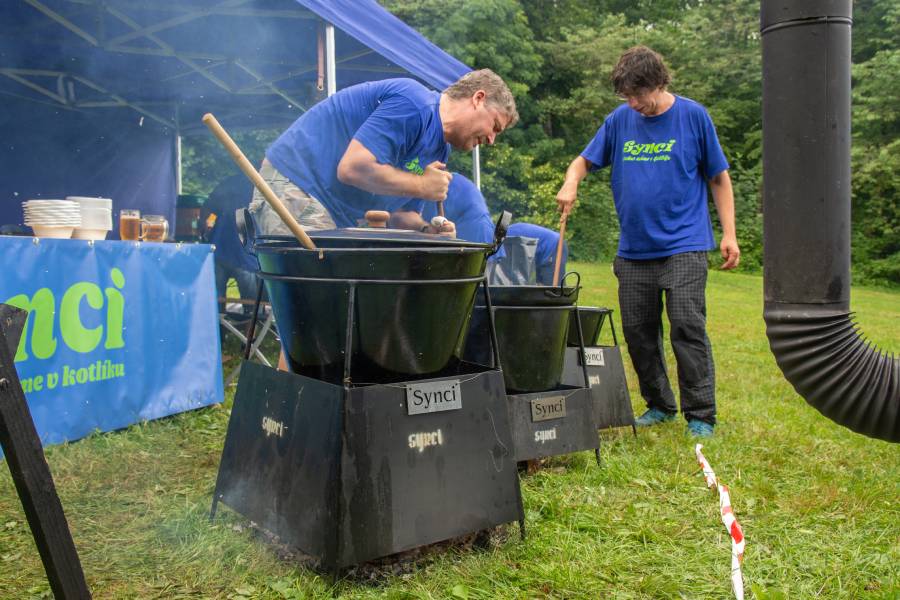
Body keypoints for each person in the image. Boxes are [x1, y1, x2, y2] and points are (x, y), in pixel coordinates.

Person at [555, 46, 740, 437]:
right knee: (638, 332)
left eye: (638, 94)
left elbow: (719, 178)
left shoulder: (693, 117)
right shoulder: (620, 120)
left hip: (684, 244)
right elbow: (582, 161)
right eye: (626, 96)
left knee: (687, 326)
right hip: (635, 250)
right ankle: (659, 405)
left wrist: (730, 233)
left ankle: (701, 414)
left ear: (659, 82)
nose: (633, 103)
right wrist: (571, 182)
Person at [249, 70, 518, 236]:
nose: (492, 140)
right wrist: (422, 184)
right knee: (323, 306)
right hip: (296, 186)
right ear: (478, 98)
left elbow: (402, 216)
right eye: (495, 126)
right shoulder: (415, 103)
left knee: (340, 309)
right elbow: (352, 168)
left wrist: (428, 230)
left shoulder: (439, 149)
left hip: (329, 209)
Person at [421, 174, 567, 284]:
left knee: (550, 297)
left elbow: (487, 262)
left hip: (552, 247)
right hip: (516, 241)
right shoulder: (484, 229)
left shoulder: (479, 227)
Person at [205, 173, 259, 318]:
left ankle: (220, 332)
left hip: (225, 250)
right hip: (242, 253)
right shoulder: (261, 184)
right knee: (251, 305)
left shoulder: (230, 181)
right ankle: (250, 337)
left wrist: (205, 234)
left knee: (215, 300)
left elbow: (207, 208)